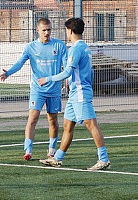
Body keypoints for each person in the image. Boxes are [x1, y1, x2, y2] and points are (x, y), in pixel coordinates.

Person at [39, 17, 111, 170]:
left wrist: (48, 79)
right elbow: (89, 72)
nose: (66, 33)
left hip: (79, 93)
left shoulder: (76, 49)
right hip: (75, 93)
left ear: (70, 31)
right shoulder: (85, 47)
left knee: (91, 124)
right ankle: (57, 157)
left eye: (66, 30)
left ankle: (103, 159)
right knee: (67, 125)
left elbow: (67, 72)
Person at [0, 18, 67, 161]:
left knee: (52, 120)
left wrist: (68, 81)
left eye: (49, 29)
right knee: (32, 118)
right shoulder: (31, 47)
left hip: (54, 89)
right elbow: (20, 63)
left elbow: (67, 67)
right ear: (38, 31)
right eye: (44, 30)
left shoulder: (59, 46)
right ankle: (28, 150)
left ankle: (51, 150)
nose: (47, 33)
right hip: (38, 89)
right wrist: (8, 73)